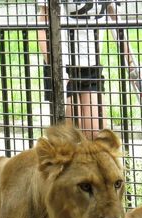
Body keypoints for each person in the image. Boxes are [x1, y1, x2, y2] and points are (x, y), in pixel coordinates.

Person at [37, 0, 112, 139]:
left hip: (90, 65)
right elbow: (42, 26)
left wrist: (132, 65)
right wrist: (56, 68)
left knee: (96, 135)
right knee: (70, 138)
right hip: (63, 64)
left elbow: (116, 22)